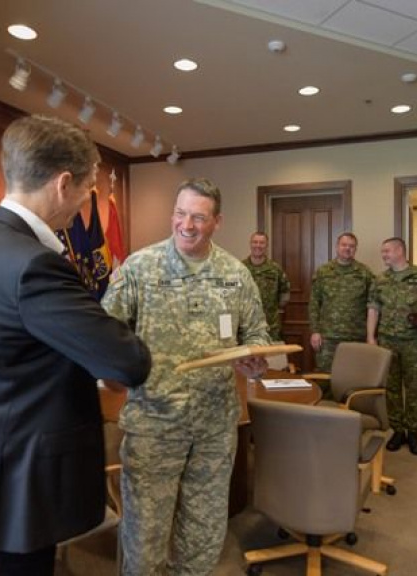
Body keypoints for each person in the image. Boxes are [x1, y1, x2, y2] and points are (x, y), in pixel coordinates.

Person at [0, 115, 152, 575]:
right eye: (88, 189)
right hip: (7, 503)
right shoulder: (33, 265)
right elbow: (128, 361)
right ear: (64, 184)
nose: (87, 202)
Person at [102, 177, 270, 576]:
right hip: (154, 426)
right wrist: (112, 374)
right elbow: (104, 332)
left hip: (215, 428)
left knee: (204, 532)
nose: (187, 225)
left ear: (217, 222)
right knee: (145, 537)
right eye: (180, 213)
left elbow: (257, 333)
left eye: (198, 217)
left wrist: (255, 358)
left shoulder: (235, 274)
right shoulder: (140, 268)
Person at [367, 237, 417, 455]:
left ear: (400, 251)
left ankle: (413, 432)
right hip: (387, 341)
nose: (383, 255)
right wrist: (370, 337)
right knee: (391, 388)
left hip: (414, 341)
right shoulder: (380, 279)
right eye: (382, 251)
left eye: (386, 251)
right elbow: (373, 308)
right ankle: (397, 430)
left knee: (414, 387)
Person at [309, 232, 374, 387]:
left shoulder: (364, 273)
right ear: (337, 247)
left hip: (356, 336)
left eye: (351, 246)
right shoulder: (324, 271)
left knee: (354, 378)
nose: (347, 248)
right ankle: (325, 404)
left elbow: (373, 305)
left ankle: (349, 404)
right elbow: (314, 303)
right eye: (344, 245)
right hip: (328, 336)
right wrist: (315, 331)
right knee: (325, 378)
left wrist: (371, 335)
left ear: (356, 249)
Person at [242, 231, 291, 341]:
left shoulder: (275, 269)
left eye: (262, 243)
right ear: (250, 244)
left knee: (272, 352)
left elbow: (285, 293)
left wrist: (272, 309)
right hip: (246, 326)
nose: (258, 245)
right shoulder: (241, 268)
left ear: (266, 245)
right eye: (255, 242)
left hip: (271, 326)